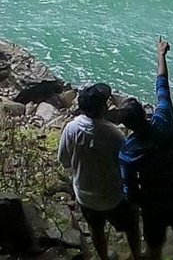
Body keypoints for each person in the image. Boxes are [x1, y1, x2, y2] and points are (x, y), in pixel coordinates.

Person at [118, 40, 173, 258]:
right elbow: (162, 84)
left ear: (127, 127)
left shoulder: (129, 151)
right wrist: (161, 54)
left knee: (154, 247)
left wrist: (138, 203)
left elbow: (129, 189)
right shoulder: (164, 119)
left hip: (154, 206)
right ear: (145, 114)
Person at [58, 82, 143, 259]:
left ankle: (104, 257)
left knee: (95, 228)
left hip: (85, 195)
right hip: (114, 197)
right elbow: (126, 167)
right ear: (103, 108)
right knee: (131, 225)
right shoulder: (115, 134)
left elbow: (64, 161)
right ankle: (137, 255)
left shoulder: (71, 129)